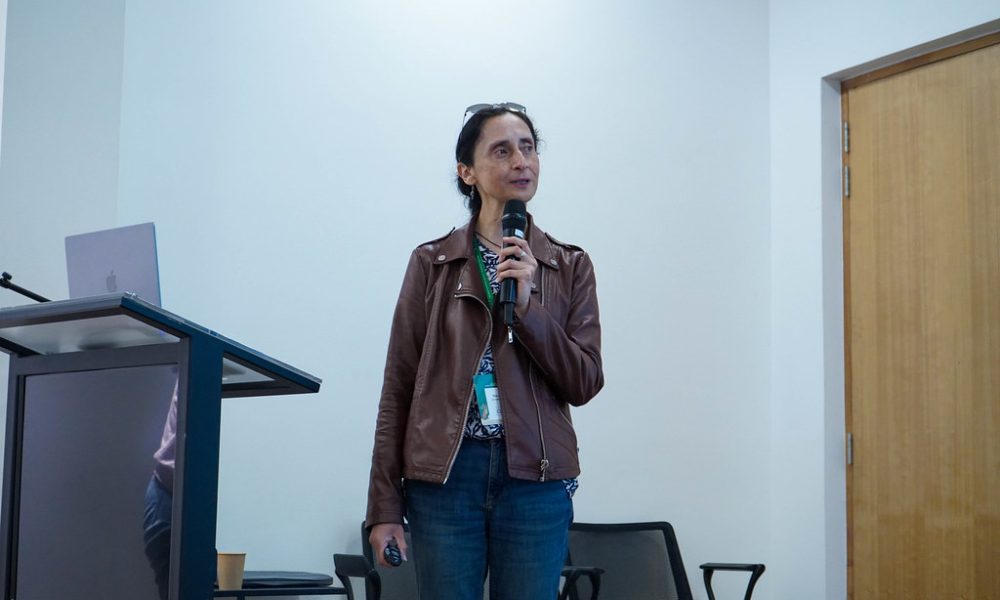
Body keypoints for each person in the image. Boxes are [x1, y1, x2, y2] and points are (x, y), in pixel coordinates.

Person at [365, 102, 604, 599]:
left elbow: (583, 382)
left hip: (535, 477)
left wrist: (531, 307)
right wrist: (384, 505)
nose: (521, 161)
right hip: (446, 478)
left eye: (528, 148)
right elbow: (399, 388)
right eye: (502, 150)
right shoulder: (432, 263)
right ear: (467, 172)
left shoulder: (568, 266)